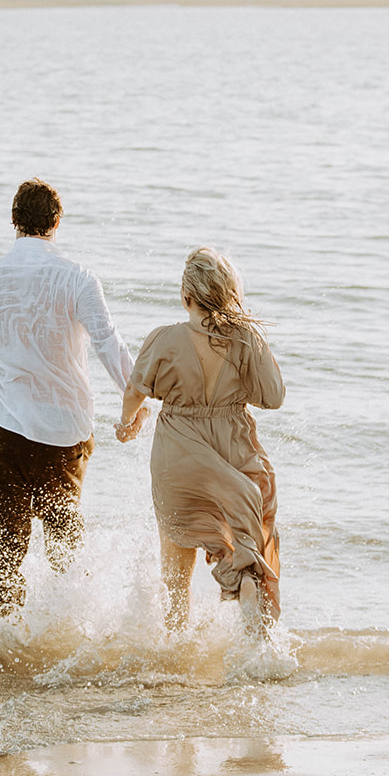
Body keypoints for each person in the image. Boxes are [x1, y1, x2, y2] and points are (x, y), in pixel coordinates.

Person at [0, 178, 132, 617]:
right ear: (57, 223)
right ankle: (69, 635)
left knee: (3, 551)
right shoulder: (79, 279)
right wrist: (136, 403)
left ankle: (2, 647)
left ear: (14, 222)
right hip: (65, 438)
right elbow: (109, 345)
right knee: (65, 547)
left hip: (6, 436)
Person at [115, 247, 284, 631]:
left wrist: (129, 424)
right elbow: (273, 397)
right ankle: (243, 586)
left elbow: (134, 392)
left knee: (176, 567)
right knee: (239, 542)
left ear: (185, 295)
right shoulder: (246, 339)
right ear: (228, 295)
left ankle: (178, 649)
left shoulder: (165, 339)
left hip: (178, 454)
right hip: (235, 453)